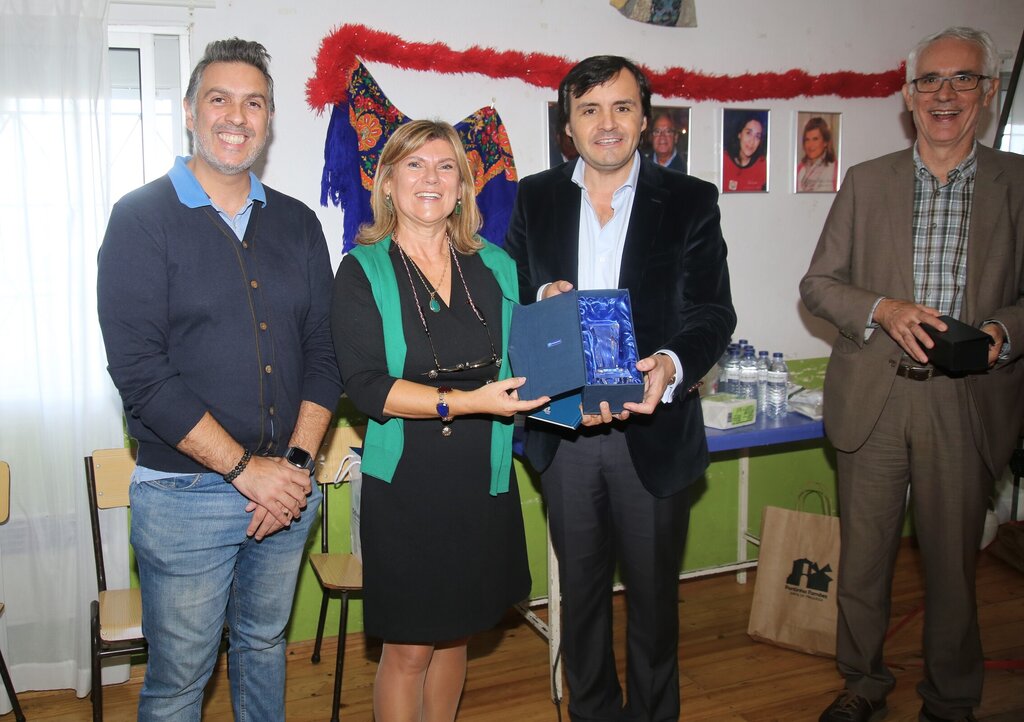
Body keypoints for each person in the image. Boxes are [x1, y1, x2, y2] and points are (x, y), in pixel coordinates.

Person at [96, 38, 341, 719]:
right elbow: (141, 374)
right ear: (189, 112)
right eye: (219, 99)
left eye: (254, 103)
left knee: (264, 646)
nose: (237, 116)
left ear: (269, 119)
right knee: (180, 681)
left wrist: (293, 468)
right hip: (184, 497)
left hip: (287, 488)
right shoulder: (140, 220)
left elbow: (325, 353)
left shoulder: (298, 222)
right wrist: (244, 470)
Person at [800, 26, 1024, 722]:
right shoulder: (868, 181)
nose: (944, 94)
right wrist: (882, 308)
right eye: (930, 80)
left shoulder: (1019, 184)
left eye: (963, 79)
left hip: (964, 402)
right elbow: (818, 284)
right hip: (876, 396)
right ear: (909, 93)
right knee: (864, 561)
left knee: (953, 566)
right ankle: (863, 681)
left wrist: (1003, 333)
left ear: (988, 92)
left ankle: (951, 700)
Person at [505, 55, 735, 721]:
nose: (607, 123)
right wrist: (538, 298)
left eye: (622, 107)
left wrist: (670, 364)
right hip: (566, 432)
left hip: (653, 431)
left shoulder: (690, 200)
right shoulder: (535, 196)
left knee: (656, 606)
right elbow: (507, 293)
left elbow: (713, 313)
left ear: (645, 118)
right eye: (590, 109)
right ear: (568, 126)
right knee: (579, 603)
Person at [331, 119, 548, 721]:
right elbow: (366, 387)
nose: (431, 177)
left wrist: (553, 309)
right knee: (408, 648)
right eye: (415, 164)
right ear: (388, 182)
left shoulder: (497, 265)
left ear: (462, 187)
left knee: (458, 635)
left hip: (482, 479)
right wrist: (470, 401)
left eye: (445, 166)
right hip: (407, 486)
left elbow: (525, 356)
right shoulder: (362, 270)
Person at [722, 111, 768, 191]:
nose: (752, 141)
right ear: (739, 134)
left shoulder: (763, 166)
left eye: (757, 136)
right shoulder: (723, 160)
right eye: (748, 133)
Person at [797, 116, 838, 192]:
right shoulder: (800, 168)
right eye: (807, 140)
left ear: (825, 142)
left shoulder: (835, 168)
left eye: (815, 139)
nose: (810, 145)